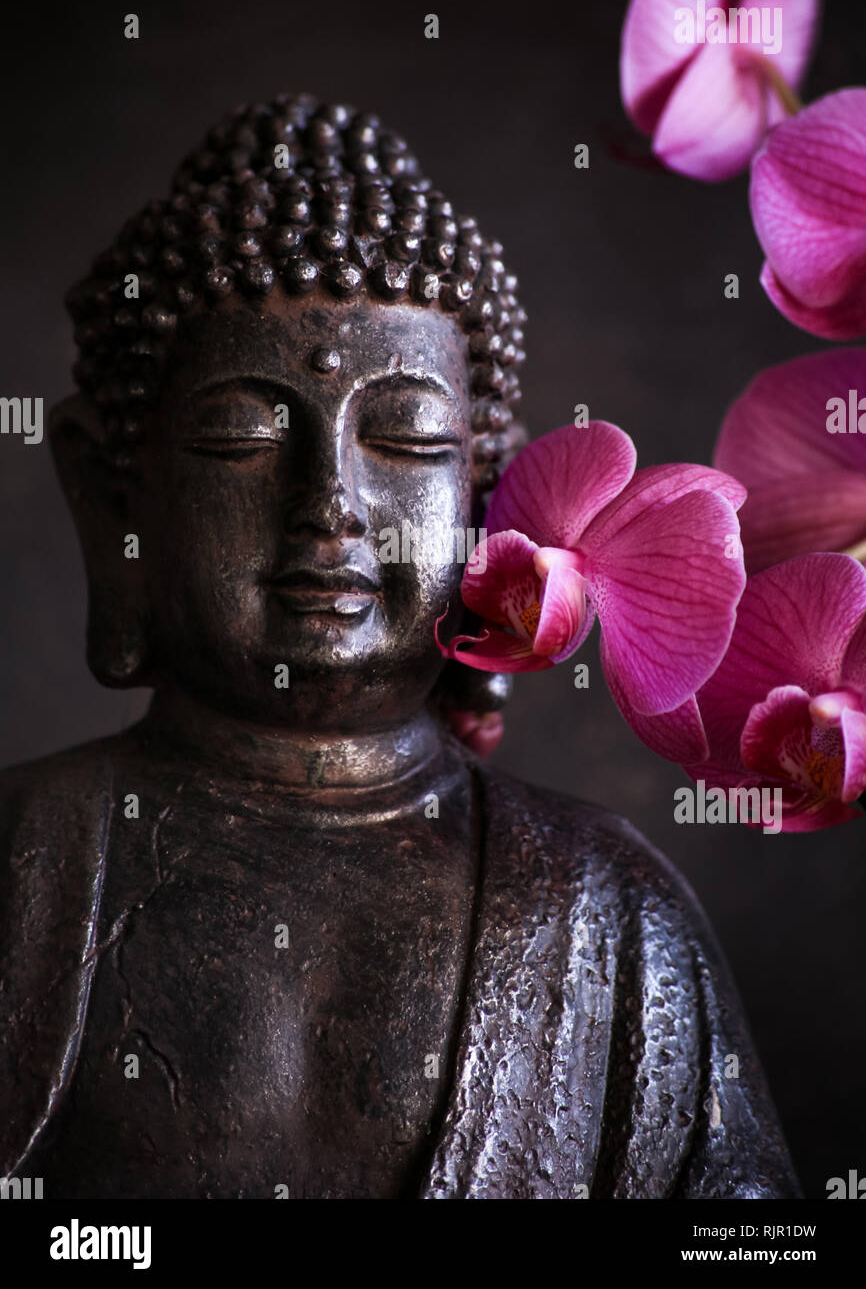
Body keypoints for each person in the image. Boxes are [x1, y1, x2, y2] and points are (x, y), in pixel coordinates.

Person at [0, 95, 799, 1198]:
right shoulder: (17, 867)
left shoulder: (606, 903)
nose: (327, 503)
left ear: (483, 489)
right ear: (108, 494)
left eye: (404, 438)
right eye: (241, 434)